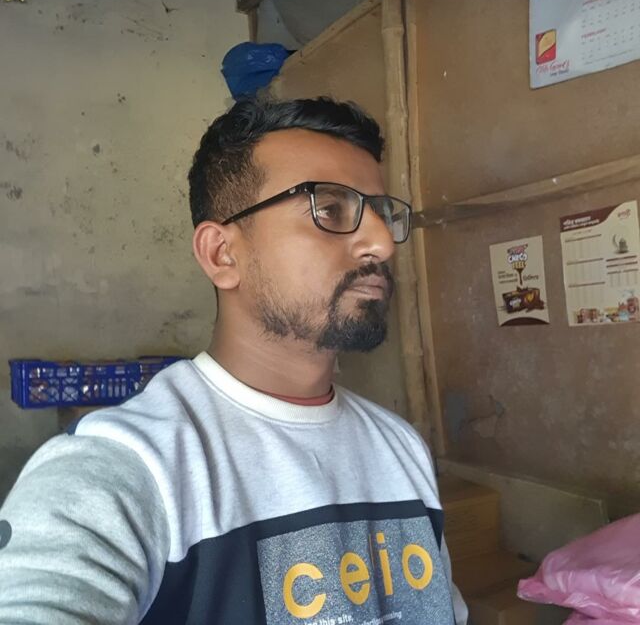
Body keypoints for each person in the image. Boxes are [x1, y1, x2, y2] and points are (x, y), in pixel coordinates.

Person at [0, 97, 467, 625]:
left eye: (382, 214)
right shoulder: (121, 470)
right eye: (329, 209)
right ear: (222, 254)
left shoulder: (400, 447)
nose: (382, 243)